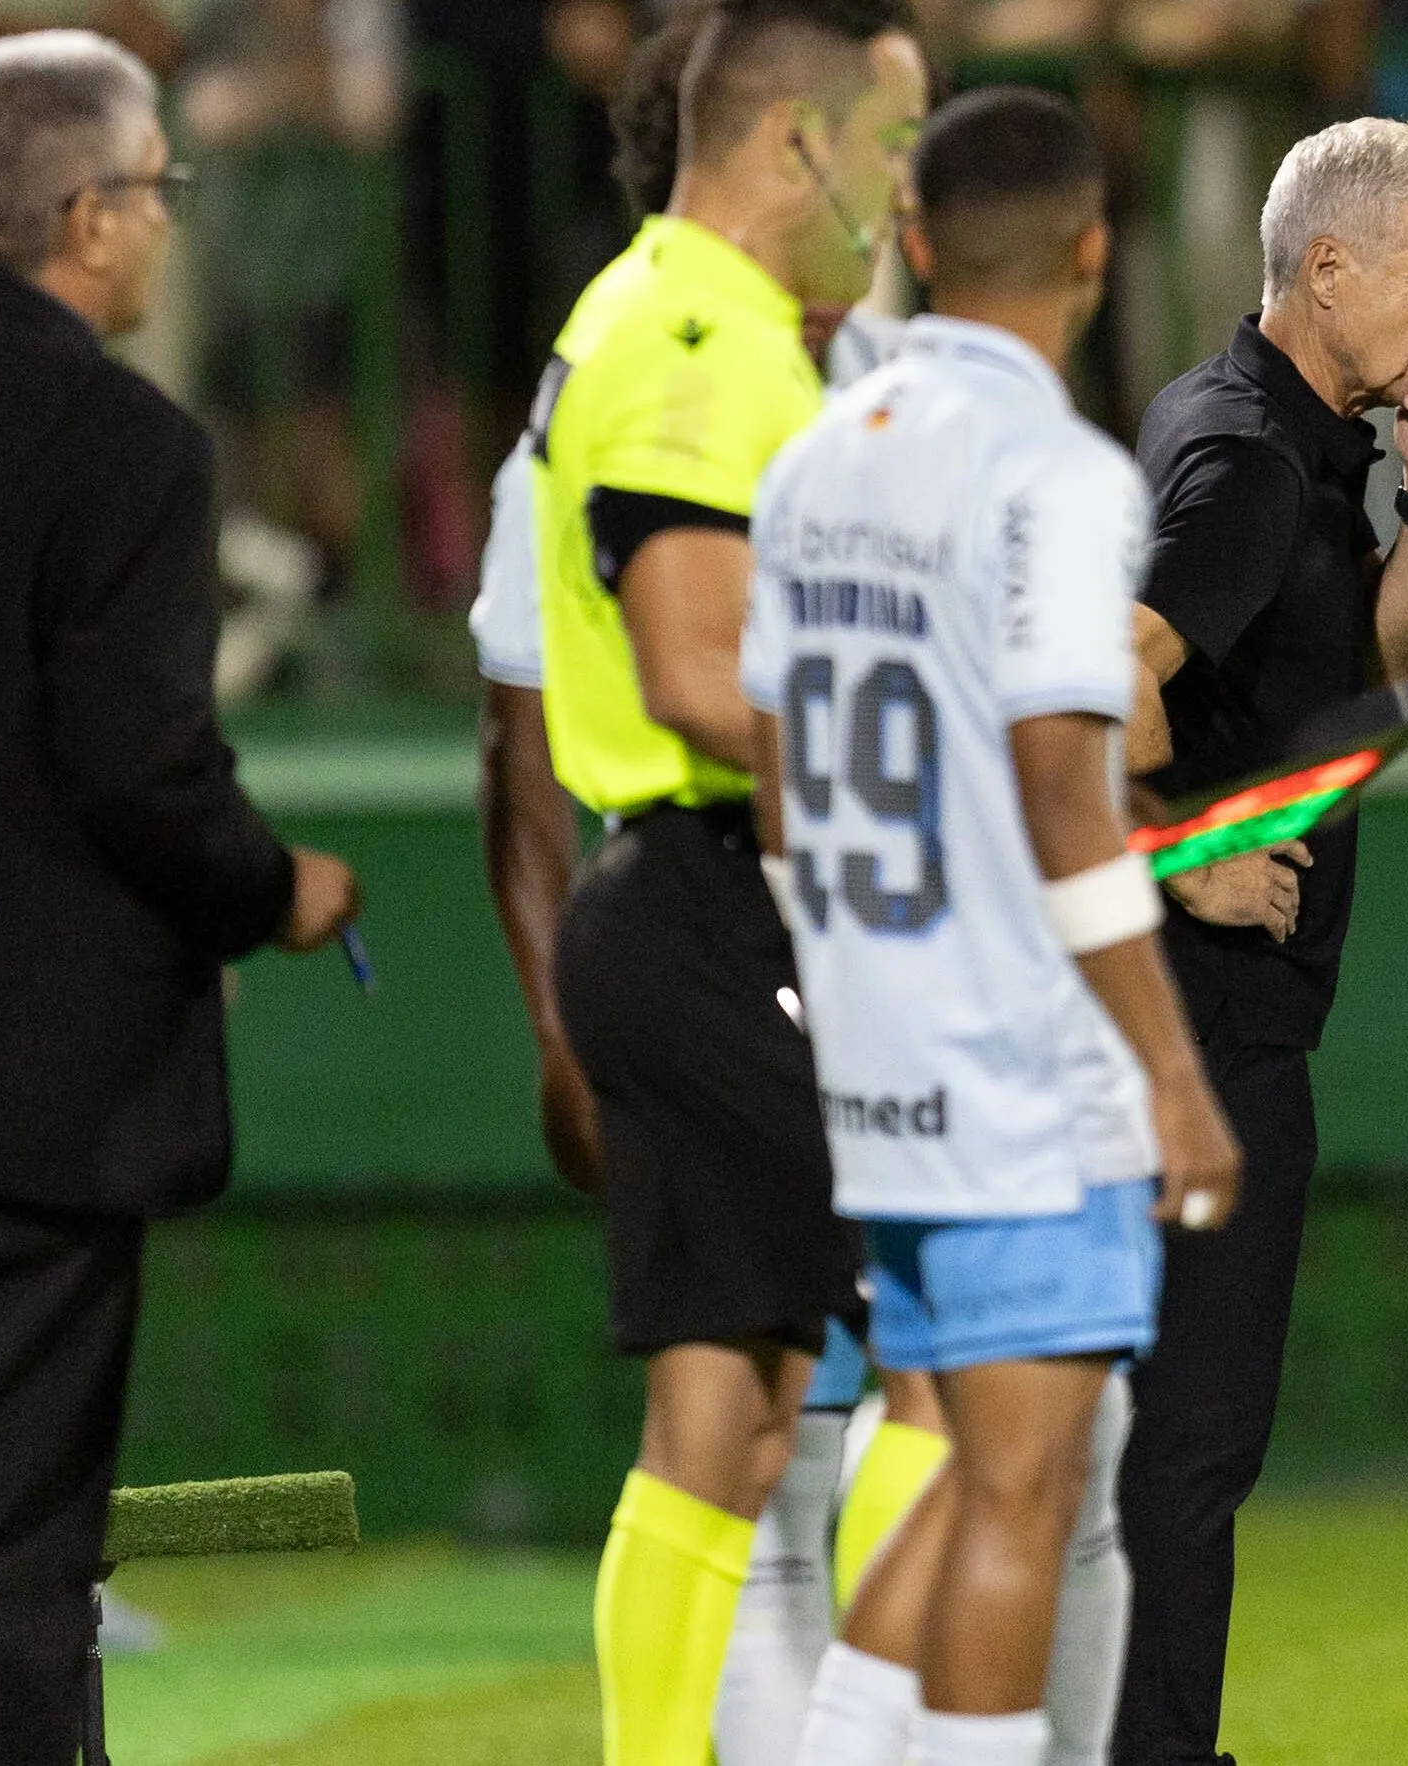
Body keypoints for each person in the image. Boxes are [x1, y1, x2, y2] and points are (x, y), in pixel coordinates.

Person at [0, 30, 360, 1764]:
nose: (162, 224)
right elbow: (138, 773)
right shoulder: (122, 445)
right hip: (5, 1111)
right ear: (85, 218)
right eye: (158, 191)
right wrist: (269, 890)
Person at [740, 85, 1243, 1766]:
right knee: (1029, 1482)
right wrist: (1169, 1071)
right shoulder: (1058, 473)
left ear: (913, 241)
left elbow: (773, 765)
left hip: (877, 1048)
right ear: (1098, 252)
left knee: (965, 1460)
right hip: (1019, 1066)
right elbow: (1059, 783)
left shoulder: (812, 461)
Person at [467, 14, 947, 1759]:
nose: (909, 193)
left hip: (703, 908)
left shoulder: (721, 324)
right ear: (802, 147)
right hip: (726, 906)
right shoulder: (686, 334)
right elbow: (690, 670)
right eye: (893, 149)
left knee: (727, 1428)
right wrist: (942, 769)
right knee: (970, 1353)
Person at [1111, 113, 1408, 1766]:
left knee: (1157, 1451)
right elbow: (1102, 671)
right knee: (1182, 1450)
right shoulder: (1253, 463)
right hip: (1197, 1023)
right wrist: (1174, 859)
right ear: (1324, 272)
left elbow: (1353, 678)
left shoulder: (1274, 429)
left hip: (1209, 1018)